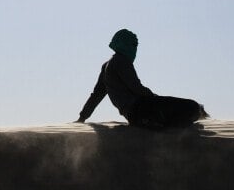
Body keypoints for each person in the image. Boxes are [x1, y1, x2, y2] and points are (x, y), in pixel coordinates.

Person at [76, 28, 207, 129]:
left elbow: (96, 96)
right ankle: (169, 127)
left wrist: (82, 117)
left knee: (181, 108)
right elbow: (136, 88)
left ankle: (165, 123)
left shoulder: (107, 65)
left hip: (133, 114)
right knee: (192, 106)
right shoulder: (121, 61)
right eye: (133, 44)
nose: (135, 48)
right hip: (142, 110)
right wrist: (155, 98)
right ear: (125, 44)